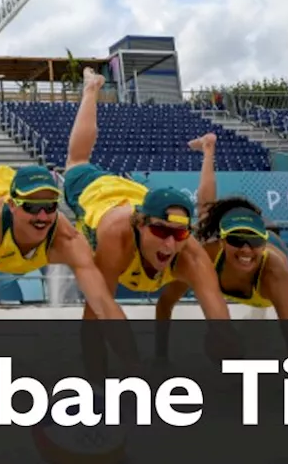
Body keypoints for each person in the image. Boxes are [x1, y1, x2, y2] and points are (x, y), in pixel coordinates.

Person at [60, 69, 234, 373]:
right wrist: (120, 371)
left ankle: (207, 149)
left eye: (179, 235)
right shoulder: (117, 238)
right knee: (77, 161)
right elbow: (98, 313)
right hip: (96, 192)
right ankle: (91, 88)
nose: (170, 243)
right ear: (140, 225)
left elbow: (218, 317)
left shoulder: (188, 252)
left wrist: (229, 351)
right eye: (160, 231)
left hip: (138, 195)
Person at [0, 91, 125, 321]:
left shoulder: (67, 239)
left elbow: (104, 304)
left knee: (77, 164)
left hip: (10, 188)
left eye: (50, 206)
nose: (42, 215)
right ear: (13, 206)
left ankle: (90, 90)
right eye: (32, 207)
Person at [155, 196, 288, 362]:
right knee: (223, 345)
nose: (245, 249)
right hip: (246, 274)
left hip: (267, 276)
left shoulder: (275, 274)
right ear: (221, 241)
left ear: (263, 243)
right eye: (236, 239)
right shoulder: (206, 256)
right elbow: (165, 302)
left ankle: (256, 315)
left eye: (254, 240)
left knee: (259, 324)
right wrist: (160, 356)